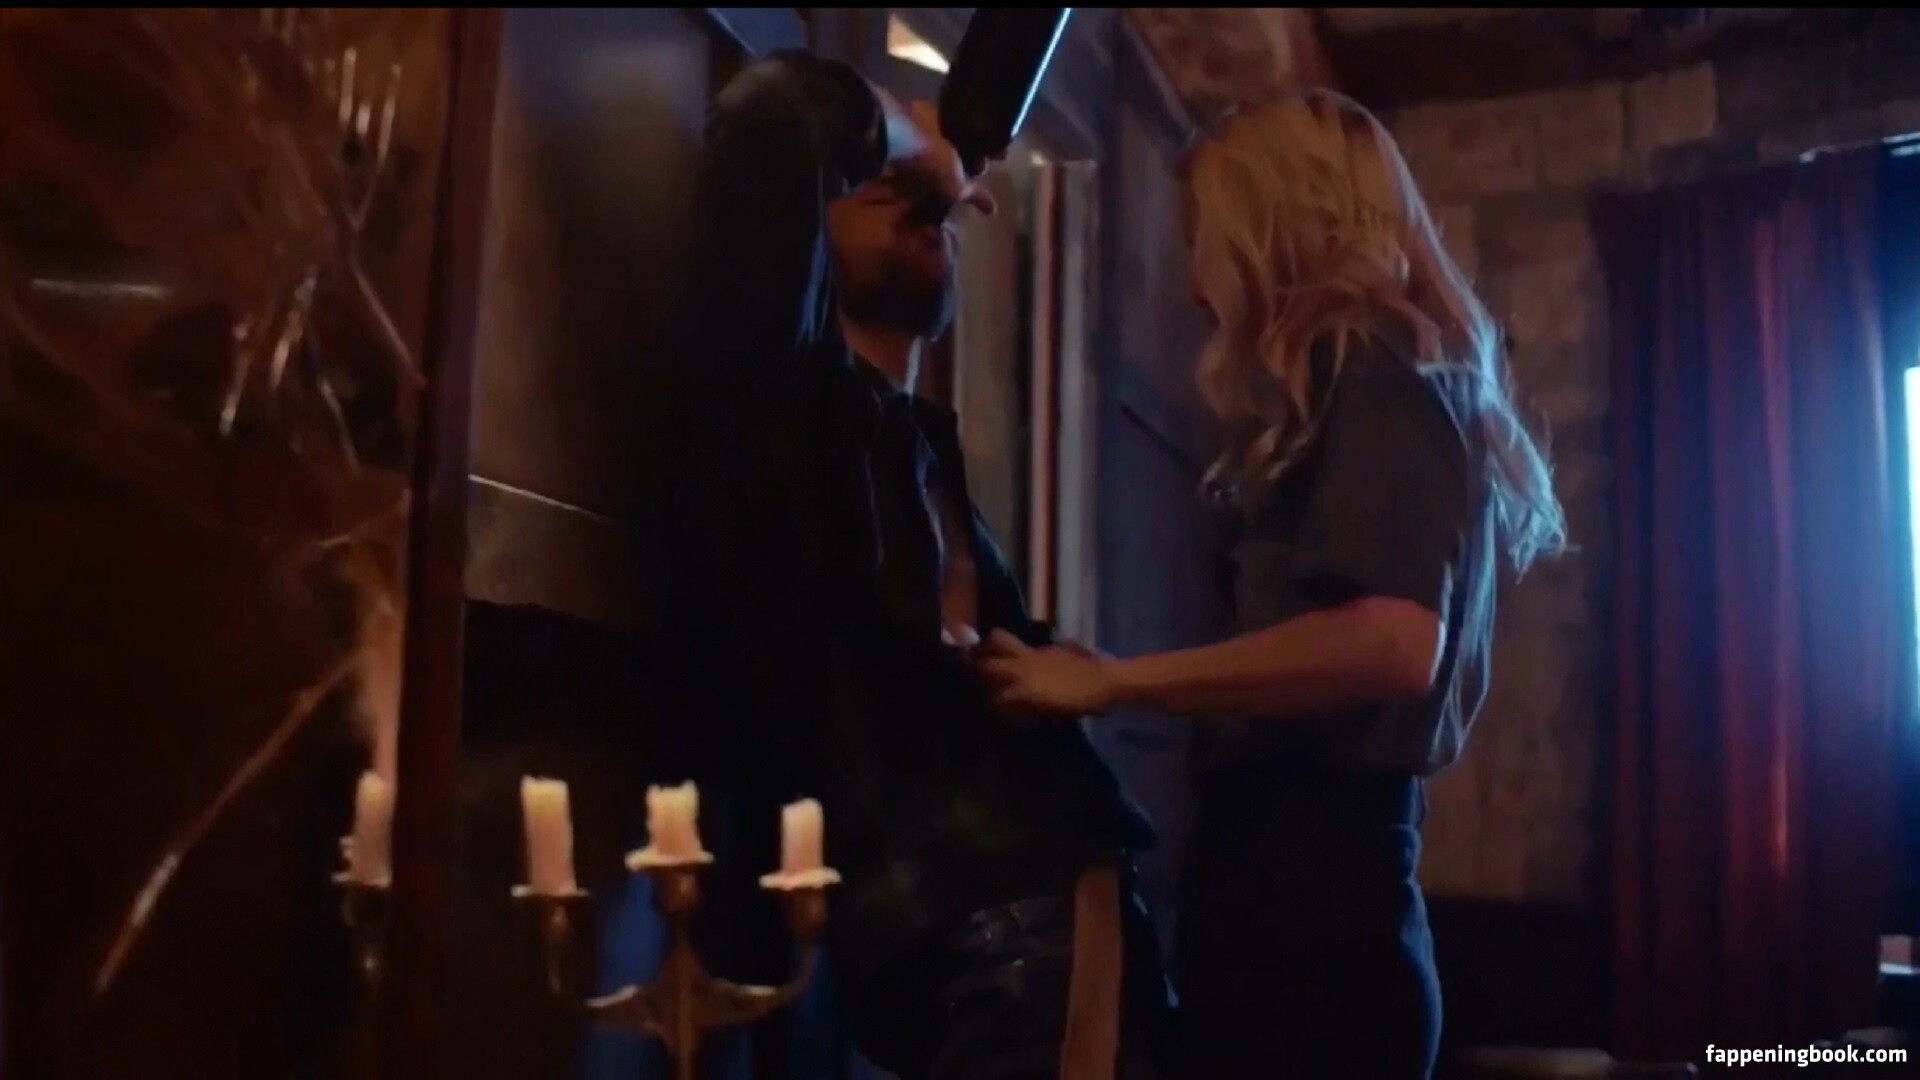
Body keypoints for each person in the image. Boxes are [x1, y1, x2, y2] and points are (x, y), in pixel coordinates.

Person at [975, 90, 1567, 1079]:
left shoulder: (1375, 370)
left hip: (1316, 941)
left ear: (1275, 231)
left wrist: (1117, 682)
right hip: (1302, 922)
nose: (1196, 287)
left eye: (1207, 242)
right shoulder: (1370, 384)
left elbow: (1392, 641)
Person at [656, 50, 1176, 1079]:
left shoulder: (917, 450)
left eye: (923, 198)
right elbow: (773, 111)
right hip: (982, 970)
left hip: (1090, 956)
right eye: (876, 186)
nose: (912, 199)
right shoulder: (784, 413)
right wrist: (908, 133)